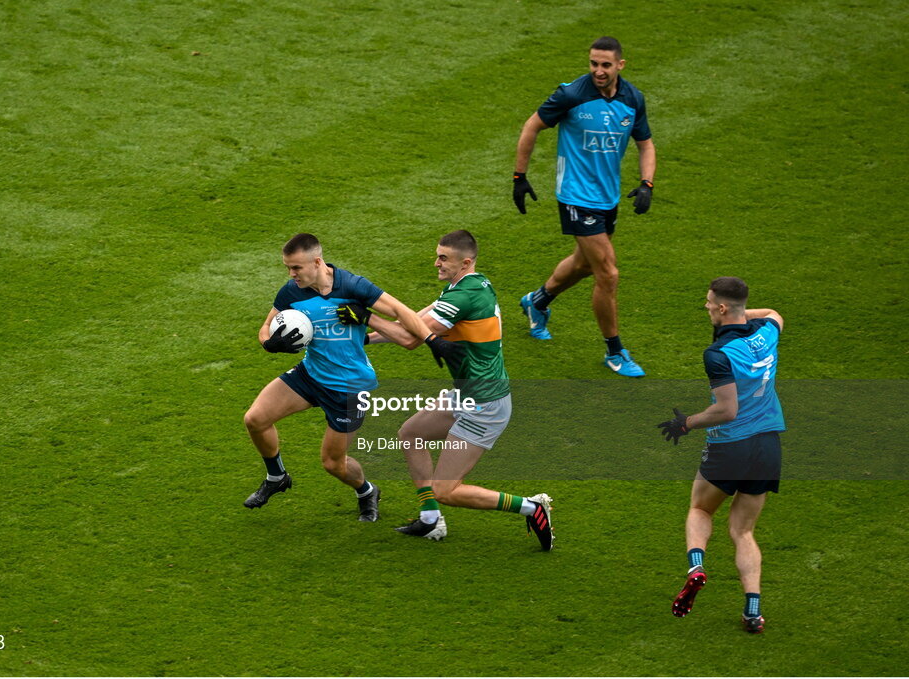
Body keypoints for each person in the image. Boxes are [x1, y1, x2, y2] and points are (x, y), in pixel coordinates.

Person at [243, 233, 462, 521]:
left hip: (348, 387)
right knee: (255, 419)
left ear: (317, 262)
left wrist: (432, 340)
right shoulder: (291, 292)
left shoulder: (352, 286)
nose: (291, 274)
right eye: (288, 268)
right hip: (310, 374)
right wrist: (268, 343)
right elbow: (267, 325)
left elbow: (400, 311)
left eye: (296, 268)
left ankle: (366, 490)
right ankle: (276, 477)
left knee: (333, 463)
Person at [356, 230, 554, 550]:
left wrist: (366, 317)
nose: (436, 263)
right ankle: (430, 519)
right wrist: (364, 337)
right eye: (437, 255)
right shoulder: (470, 284)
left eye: (443, 258)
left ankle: (532, 507)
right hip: (468, 395)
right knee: (411, 434)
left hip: (484, 405)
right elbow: (416, 322)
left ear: (465, 262)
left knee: (447, 490)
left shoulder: (462, 297)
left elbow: (410, 338)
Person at [513, 36, 656, 377]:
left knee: (584, 263)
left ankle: (537, 301)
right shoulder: (572, 95)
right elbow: (532, 125)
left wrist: (647, 183)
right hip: (576, 196)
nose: (598, 71)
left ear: (620, 64)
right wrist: (520, 176)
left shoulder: (632, 99)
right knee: (608, 272)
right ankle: (615, 351)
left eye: (606, 65)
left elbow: (646, 145)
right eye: (594, 63)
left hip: (608, 197)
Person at [655, 276, 785, 634]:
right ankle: (752, 611)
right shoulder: (768, 332)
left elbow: (727, 410)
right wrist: (741, 315)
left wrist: (686, 423)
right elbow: (775, 313)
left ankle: (696, 567)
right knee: (743, 531)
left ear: (723, 308)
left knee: (700, 508)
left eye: (711, 302)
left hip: (732, 444)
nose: (707, 306)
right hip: (768, 445)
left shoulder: (718, 354)